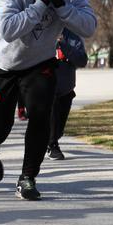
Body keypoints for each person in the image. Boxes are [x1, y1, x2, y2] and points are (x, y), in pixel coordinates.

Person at [0, 0, 96, 201]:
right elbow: (8, 29)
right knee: (1, 128)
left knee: (41, 114)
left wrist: (61, 5)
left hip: (39, 64)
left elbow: (89, 26)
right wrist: (43, 2)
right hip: (4, 66)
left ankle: (27, 177)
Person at [46, 28, 87, 160]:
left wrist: (63, 44)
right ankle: (52, 145)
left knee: (58, 130)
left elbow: (82, 60)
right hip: (45, 86)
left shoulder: (72, 36)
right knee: (50, 114)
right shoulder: (41, 31)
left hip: (66, 89)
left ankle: (51, 139)